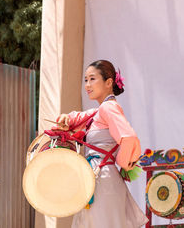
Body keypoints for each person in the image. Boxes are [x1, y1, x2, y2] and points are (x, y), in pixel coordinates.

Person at [54, 60, 148, 228]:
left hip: (103, 180)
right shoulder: (101, 110)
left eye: (92, 79)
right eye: (85, 80)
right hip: (98, 179)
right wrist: (67, 118)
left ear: (109, 82)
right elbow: (80, 117)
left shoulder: (108, 108)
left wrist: (122, 163)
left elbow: (129, 137)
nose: (87, 85)